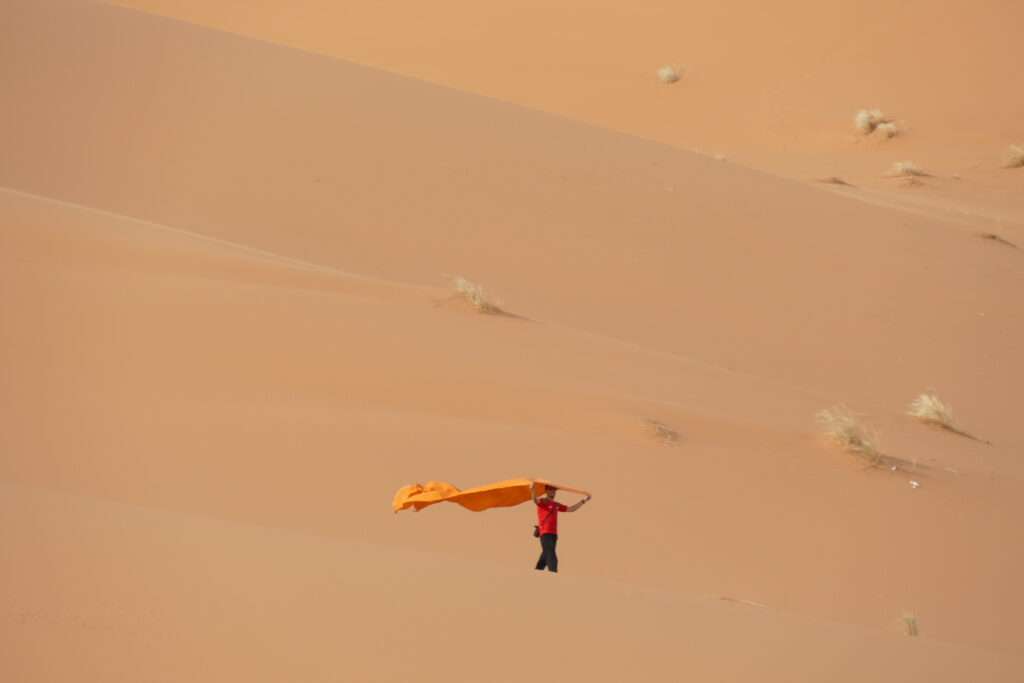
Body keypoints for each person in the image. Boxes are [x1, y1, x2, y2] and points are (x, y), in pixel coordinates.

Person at [531, 482, 591, 573]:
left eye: (554, 491)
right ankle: (553, 573)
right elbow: (535, 500)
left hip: (554, 535)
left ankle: (537, 572)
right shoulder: (543, 501)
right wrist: (532, 489)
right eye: (551, 490)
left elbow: (571, 509)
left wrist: (583, 501)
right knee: (551, 555)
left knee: (545, 555)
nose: (553, 493)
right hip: (545, 533)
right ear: (546, 491)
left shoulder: (556, 505)